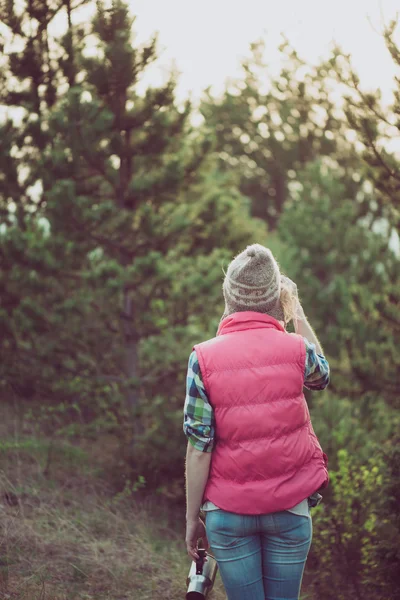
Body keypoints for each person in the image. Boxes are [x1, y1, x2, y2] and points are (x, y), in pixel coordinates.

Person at [183, 243, 329, 600]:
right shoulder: (297, 349)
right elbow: (321, 376)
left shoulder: (202, 358)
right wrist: (296, 313)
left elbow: (199, 448)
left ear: (228, 296)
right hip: (290, 508)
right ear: (276, 297)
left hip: (227, 514)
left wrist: (191, 519)